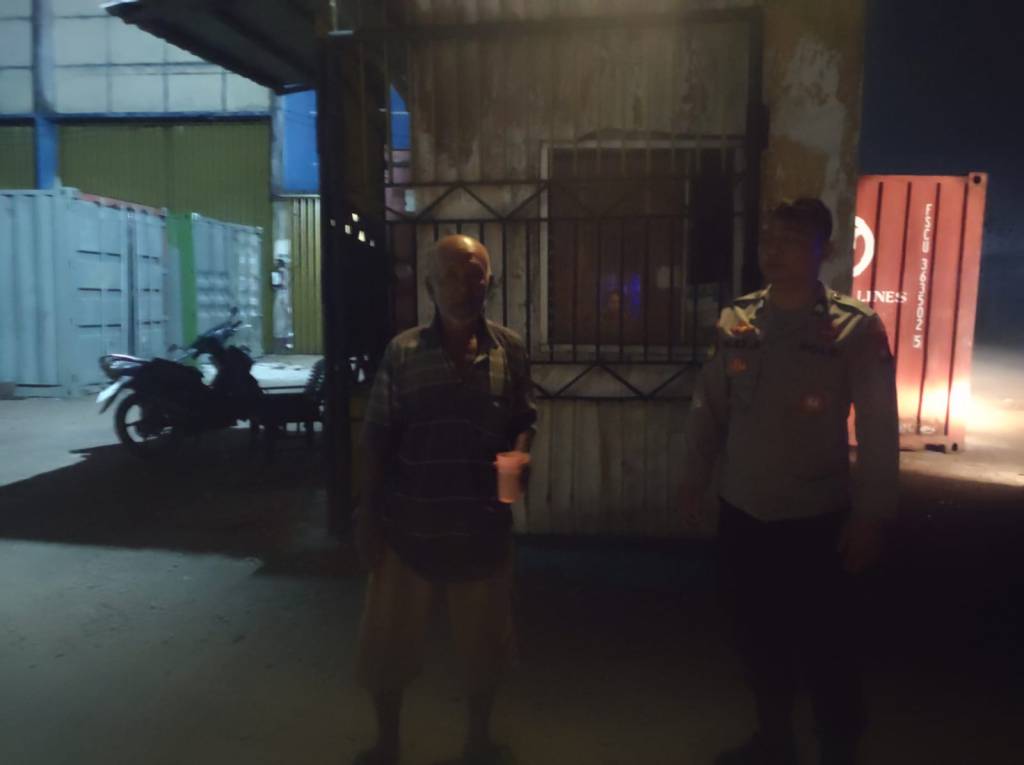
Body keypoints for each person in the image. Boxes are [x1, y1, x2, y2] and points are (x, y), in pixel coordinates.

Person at [679, 199, 899, 765]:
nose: (774, 251)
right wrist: (693, 479)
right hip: (745, 512)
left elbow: (879, 430)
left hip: (817, 519)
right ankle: (773, 740)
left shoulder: (855, 328)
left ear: (824, 250)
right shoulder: (736, 322)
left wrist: (871, 517)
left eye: (792, 240)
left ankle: (838, 748)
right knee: (758, 639)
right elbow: (709, 408)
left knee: (829, 648)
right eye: (768, 240)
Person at [353, 234, 536, 765]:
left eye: (474, 273)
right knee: (388, 647)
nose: (463, 285)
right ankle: (387, 744)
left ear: (489, 282)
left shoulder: (509, 349)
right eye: (451, 275)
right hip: (407, 525)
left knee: (485, 650)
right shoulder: (403, 352)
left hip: (481, 528)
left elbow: (524, 417)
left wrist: (521, 454)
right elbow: (377, 435)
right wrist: (368, 515)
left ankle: (478, 742)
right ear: (431, 286)